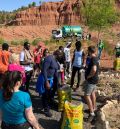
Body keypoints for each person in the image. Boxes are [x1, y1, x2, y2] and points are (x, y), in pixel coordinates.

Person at [37, 53, 59, 117]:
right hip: (45, 79)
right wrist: (46, 82)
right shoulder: (49, 59)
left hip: (51, 79)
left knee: (49, 93)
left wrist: (57, 82)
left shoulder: (55, 60)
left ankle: (50, 103)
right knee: (45, 95)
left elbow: (55, 71)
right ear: (58, 55)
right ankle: (46, 109)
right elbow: (44, 70)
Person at [84, 46, 99, 120]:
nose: (87, 52)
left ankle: (92, 113)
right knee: (93, 94)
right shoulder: (96, 58)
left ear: (90, 51)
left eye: (88, 51)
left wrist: (89, 76)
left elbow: (94, 69)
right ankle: (93, 108)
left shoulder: (93, 59)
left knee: (87, 95)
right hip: (95, 79)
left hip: (91, 80)